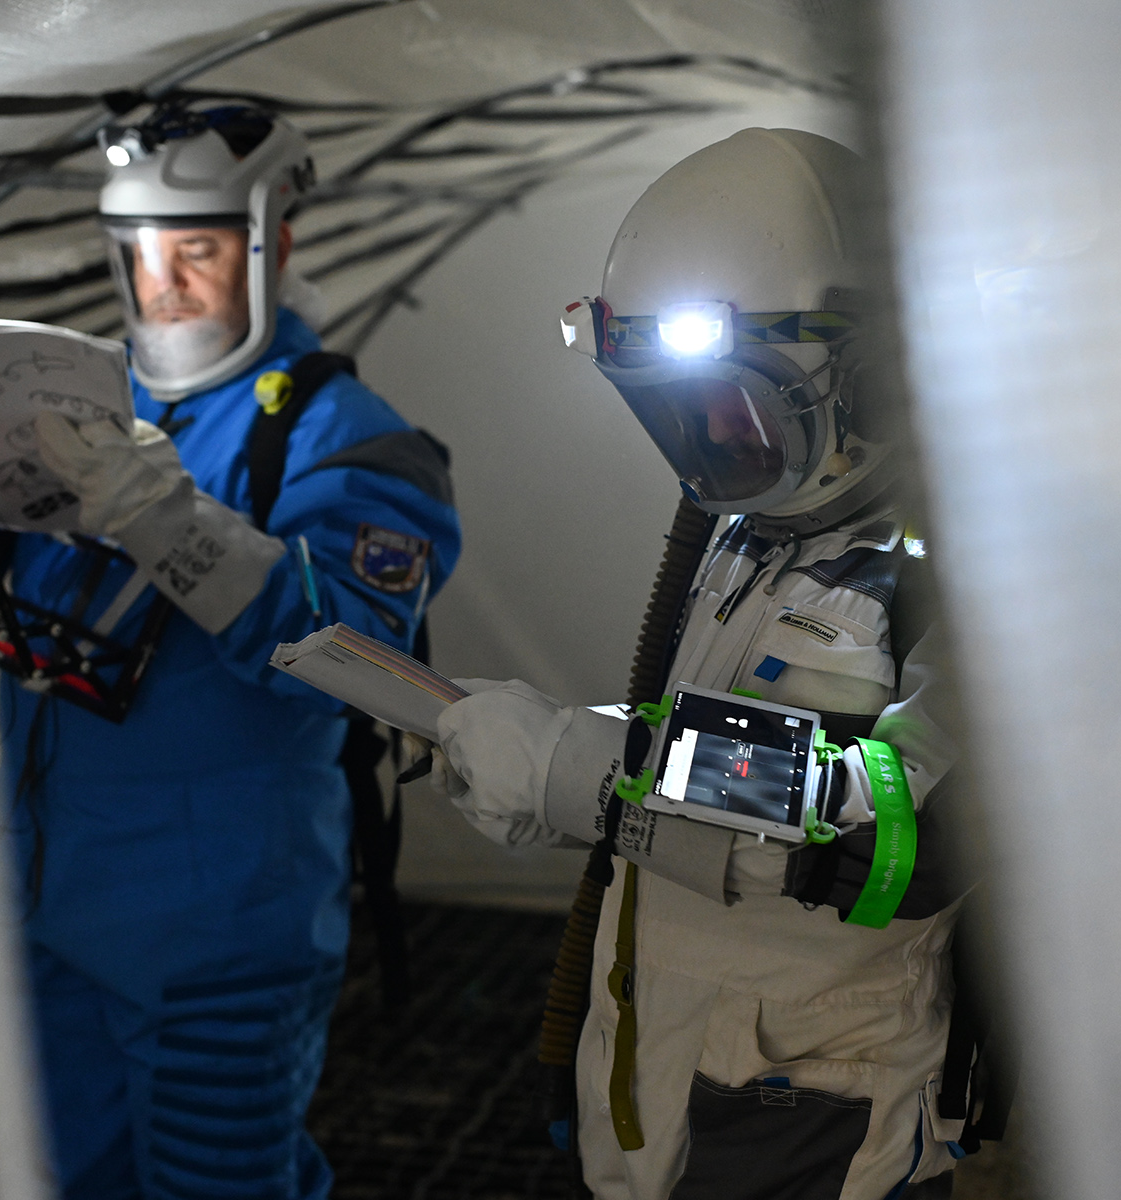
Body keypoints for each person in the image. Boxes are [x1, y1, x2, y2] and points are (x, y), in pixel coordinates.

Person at [429, 128, 980, 1199]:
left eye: (734, 406)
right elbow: (696, 749)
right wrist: (562, 762)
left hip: (818, 1117)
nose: (709, 445)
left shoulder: (971, 569)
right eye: (677, 411)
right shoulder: (755, 530)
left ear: (864, 380)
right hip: (665, 1064)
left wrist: (581, 768)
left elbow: (894, 831)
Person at [0, 103, 461, 1199]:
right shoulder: (73, 402)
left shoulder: (353, 438)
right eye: (141, 254)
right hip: (41, 901)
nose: (164, 284)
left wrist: (166, 519)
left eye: (195, 251)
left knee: (220, 1184)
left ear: (272, 243)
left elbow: (361, 658)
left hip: (215, 927)